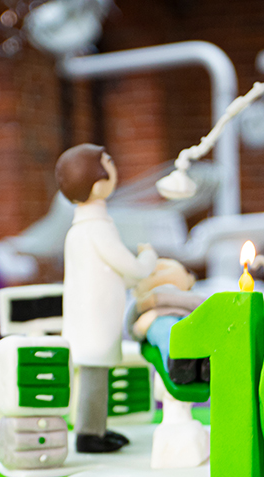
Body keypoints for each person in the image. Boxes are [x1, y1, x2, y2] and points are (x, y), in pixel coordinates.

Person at [56, 143, 157, 452]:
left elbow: (109, 272)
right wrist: (148, 257)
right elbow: (131, 267)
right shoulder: (97, 229)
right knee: (94, 376)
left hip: (89, 317)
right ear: (97, 183)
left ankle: (95, 428)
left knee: (96, 375)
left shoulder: (79, 230)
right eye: (107, 163)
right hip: (95, 320)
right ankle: (89, 434)